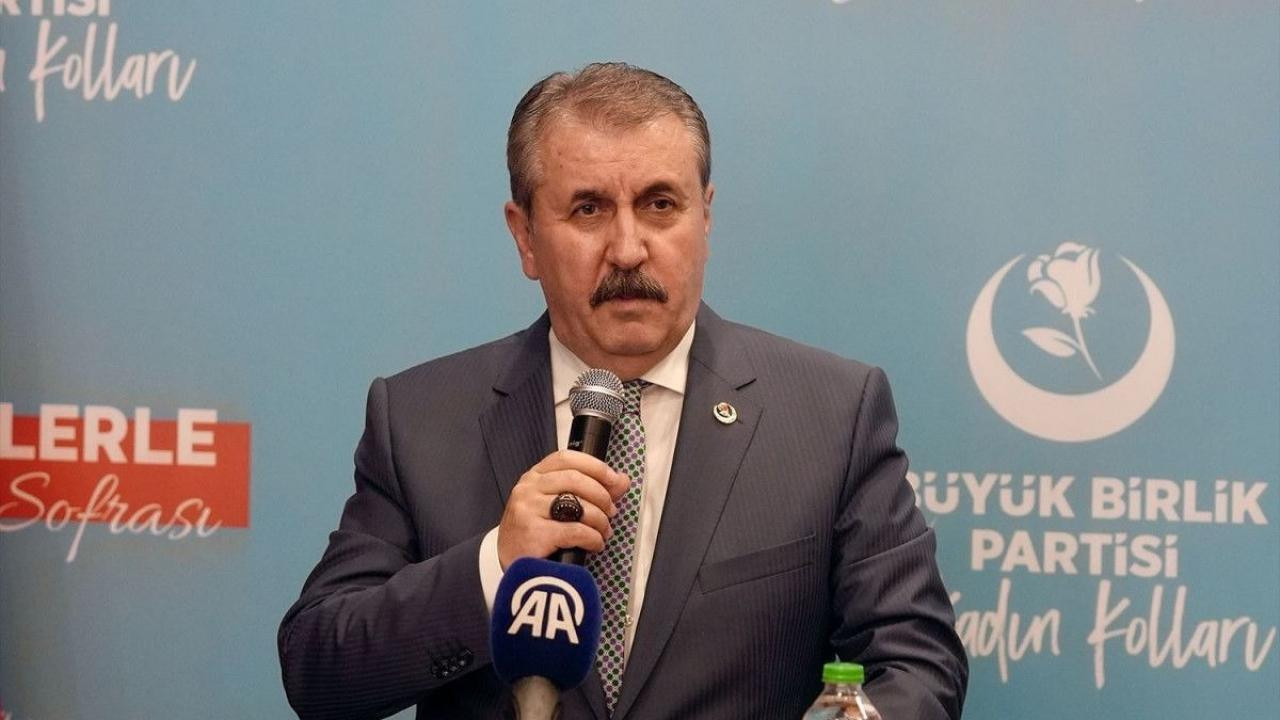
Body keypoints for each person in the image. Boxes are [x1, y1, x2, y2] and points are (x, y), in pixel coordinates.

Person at [278, 62, 967, 720]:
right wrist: (495, 565)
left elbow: (916, 663)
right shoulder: (422, 419)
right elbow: (319, 672)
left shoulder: (830, 414)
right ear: (525, 237)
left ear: (705, 217)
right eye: (589, 210)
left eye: (660, 205)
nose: (629, 249)